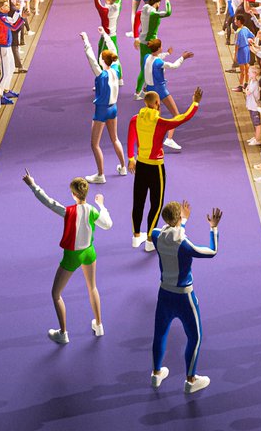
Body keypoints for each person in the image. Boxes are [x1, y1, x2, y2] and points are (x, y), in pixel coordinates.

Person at [22, 171, 112, 344]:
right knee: (92, 287)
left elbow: (48, 202)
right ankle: (99, 325)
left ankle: (63, 333)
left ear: (73, 194)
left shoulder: (68, 211)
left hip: (72, 256)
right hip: (89, 252)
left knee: (56, 294)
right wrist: (102, 205)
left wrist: (33, 185)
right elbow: (108, 225)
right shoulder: (92, 210)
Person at [149, 200, 221, 395]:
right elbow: (212, 252)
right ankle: (190, 380)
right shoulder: (185, 245)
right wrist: (213, 228)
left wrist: (183, 220)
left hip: (164, 295)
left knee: (160, 334)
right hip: (184, 298)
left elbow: (170, 232)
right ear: (178, 218)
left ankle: (156, 374)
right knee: (195, 337)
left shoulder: (155, 235)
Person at [127, 88, 202, 249]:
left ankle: (135, 237)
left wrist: (131, 158)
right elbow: (182, 118)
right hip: (156, 168)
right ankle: (149, 240)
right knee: (156, 204)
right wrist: (195, 103)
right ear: (157, 104)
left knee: (138, 201)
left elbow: (130, 138)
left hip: (140, 165)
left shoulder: (135, 119)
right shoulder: (160, 122)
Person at [78, 30, 125, 184]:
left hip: (101, 111)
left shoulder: (101, 74)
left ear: (102, 60)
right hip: (114, 108)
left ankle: (100, 174)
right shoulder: (116, 69)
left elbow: (90, 57)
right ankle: (123, 167)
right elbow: (114, 50)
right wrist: (105, 35)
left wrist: (86, 40)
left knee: (94, 144)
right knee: (115, 138)